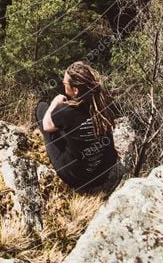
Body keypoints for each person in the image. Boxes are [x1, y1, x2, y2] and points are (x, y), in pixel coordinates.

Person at [35, 61, 119, 192]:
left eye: (65, 84)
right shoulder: (102, 105)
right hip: (102, 174)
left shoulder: (66, 111)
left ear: (75, 90)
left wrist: (55, 102)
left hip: (78, 178)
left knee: (41, 109)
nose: (63, 85)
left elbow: (46, 125)